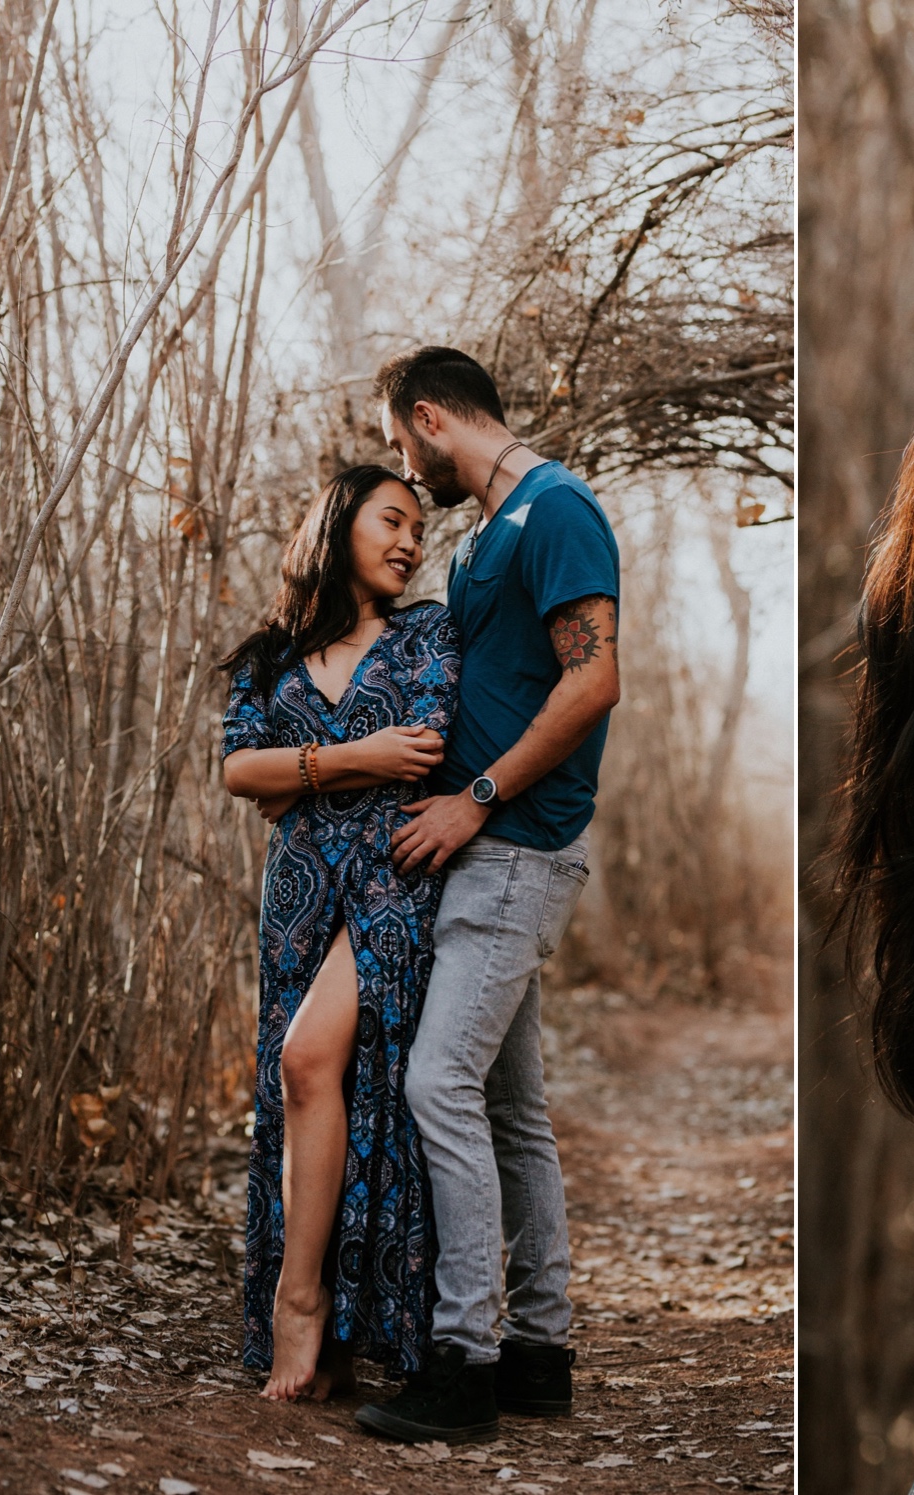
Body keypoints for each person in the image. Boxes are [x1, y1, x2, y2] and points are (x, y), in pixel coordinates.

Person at [353, 347, 620, 1444]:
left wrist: (473, 797)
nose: (402, 467)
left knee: (437, 1084)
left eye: (398, 441)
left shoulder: (558, 510)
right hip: (486, 851)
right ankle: (539, 1352)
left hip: (514, 846)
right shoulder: (488, 532)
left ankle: (463, 1364)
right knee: (509, 1108)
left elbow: (594, 678)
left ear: (427, 417)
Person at [219, 466, 461, 1401]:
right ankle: (331, 1332)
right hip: (300, 894)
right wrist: (355, 756)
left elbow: (427, 743)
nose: (408, 540)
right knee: (312, 1091)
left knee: (312, 1060)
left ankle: (301, 1301)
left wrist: (302, 771)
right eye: (390, 521)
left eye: (416, 528)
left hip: (394, 877)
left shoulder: (428, 632)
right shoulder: (267, 654)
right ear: (337, 524)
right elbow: (240, 770)